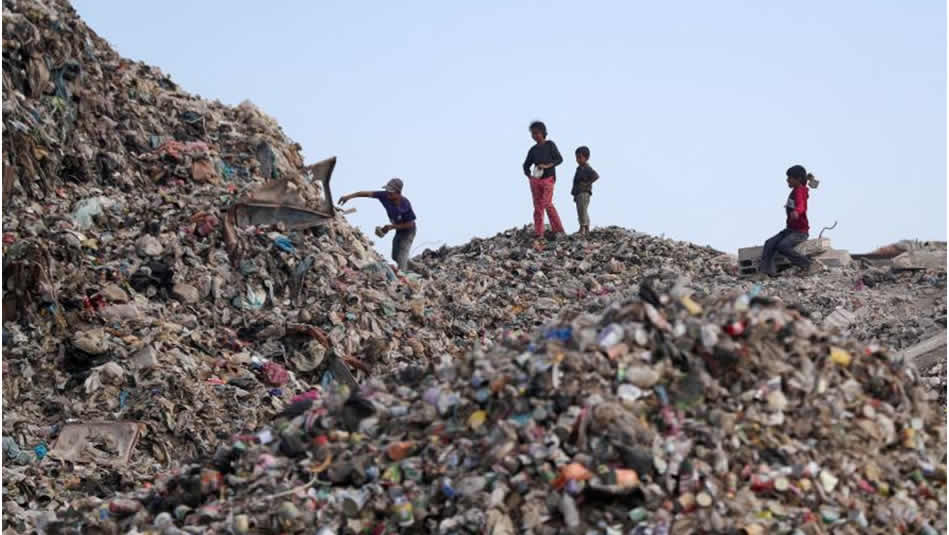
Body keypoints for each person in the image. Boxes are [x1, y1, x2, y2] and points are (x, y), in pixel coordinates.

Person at [338, 178, 417, 271]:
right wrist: (348, 196)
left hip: (409, 231)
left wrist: (391, 227)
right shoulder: (384, 196)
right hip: (398, 230)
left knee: (402, 255)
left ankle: (402, 279)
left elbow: (410, 224)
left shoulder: (404, 204)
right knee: (395, 256)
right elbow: (365, 193)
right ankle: (417, 267)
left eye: (391, 192)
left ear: (398, 193)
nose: (388, 194)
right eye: (387, 191)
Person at [759, 165, 821, 277]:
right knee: (769, 243)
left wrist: (797, 211)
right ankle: (767, 272)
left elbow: (802, 205)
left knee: (783, 246)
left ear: (798, 179)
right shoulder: (797, 190)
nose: (787, 180)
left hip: (800, 232)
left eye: (790, 178)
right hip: (790, 230)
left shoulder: (799, 191)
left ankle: (808, 265)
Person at [522, 121, 565, 248]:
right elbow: (526, 165)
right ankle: (539, 232)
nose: (534, 136)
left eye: (537, 133)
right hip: (536, 180)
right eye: (532, 133)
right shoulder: (533, 150)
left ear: (543, 133)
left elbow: (559, 159)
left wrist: (547, 166)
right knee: (538, 206)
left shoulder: (550, 145)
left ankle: (558, 230)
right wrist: (530, 176)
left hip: (548, 179)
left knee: (547, 203)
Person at [570, 145, 600, 235]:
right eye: (577, 158)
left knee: (582, 210)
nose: (578, 160)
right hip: (579, 193)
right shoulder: (579, 169)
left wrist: (587, 184)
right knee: (581, 210)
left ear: (586, 158)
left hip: (584, 192)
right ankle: (585, 228)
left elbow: (596, 176)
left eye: (580, 157)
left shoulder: (587, 168)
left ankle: (583, 228)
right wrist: (574, 194)